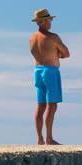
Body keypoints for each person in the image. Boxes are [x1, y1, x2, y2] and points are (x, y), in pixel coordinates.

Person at [29, 8, 69, 145]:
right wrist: (57, 54)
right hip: (51, 71)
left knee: (40, 106)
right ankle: (49, 138)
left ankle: (40, 138)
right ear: (44, 21)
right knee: (52, 106)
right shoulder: (53, 37)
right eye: (49, 20)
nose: (51, 22)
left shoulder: (32, 38)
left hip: (37, 70)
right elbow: (67, 53)